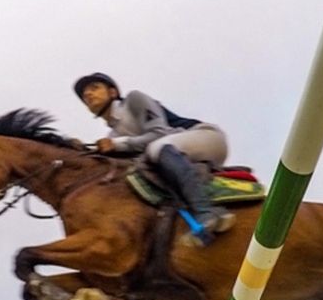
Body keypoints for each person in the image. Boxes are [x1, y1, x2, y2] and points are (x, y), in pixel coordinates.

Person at [73, 72, 233, 246]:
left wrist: (116, 145)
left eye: (94, 88)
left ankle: (207, 211)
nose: (88, 95)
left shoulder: (134, 100)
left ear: (112, 92)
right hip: (178, 153)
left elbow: (159, 133)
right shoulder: (113, 135)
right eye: (84, 95)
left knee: (155, 148)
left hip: (206, 137)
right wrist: (81, 149)